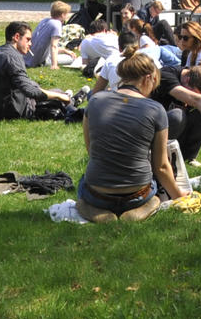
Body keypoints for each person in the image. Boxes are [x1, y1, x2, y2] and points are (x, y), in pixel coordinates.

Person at [73, 52, 193, 221]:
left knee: (83, 182)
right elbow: (161, 167)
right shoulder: (156, 109)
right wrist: (180, 196)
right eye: (154, 84)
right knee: (158, 185)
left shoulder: (95, 101)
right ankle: (146, 206)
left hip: (97, 194)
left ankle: (91, 208)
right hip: (138, 194)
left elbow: (91, 150)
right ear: (148, 78)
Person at [0, 19, 77, 122]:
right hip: (10, 112)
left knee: (35, 85)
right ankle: (70, 101)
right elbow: (31, 91)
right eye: (28, 39)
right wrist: (59, 96)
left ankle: (70, 99)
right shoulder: (13, 57)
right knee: (55, 94)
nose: (30, 44)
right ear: (17, 37)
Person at [28, 1, 80, 70]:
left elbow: (45, 45)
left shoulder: (44, 21)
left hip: (29, 57)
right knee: (72, 58)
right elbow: (54, 46)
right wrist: (54, 65)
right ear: (62, 15)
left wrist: (65, 51)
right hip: (39, 60)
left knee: (66, 53)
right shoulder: (57, 24)